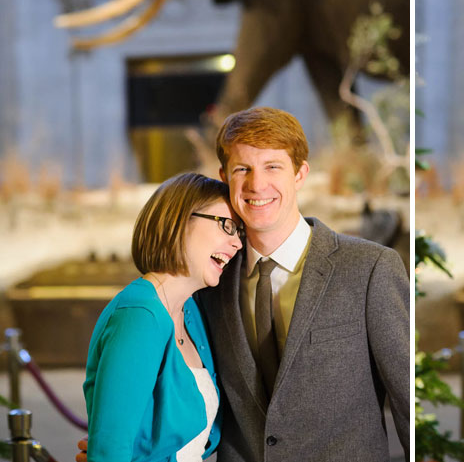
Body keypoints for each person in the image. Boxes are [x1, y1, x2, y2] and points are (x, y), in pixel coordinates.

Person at [196, 106, 409, 461]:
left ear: (300, 173)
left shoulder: (370, 269)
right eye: (242, 169)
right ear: (224, 176)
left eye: (273, 167)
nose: (256, 184)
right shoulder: (212, 277)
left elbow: (406, 403)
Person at [83, 173, 243, 461]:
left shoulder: (190, 312)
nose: (237, 244)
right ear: (180, 221)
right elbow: (109, 452)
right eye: (227, 226)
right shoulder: (140, 317)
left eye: (238, 232)